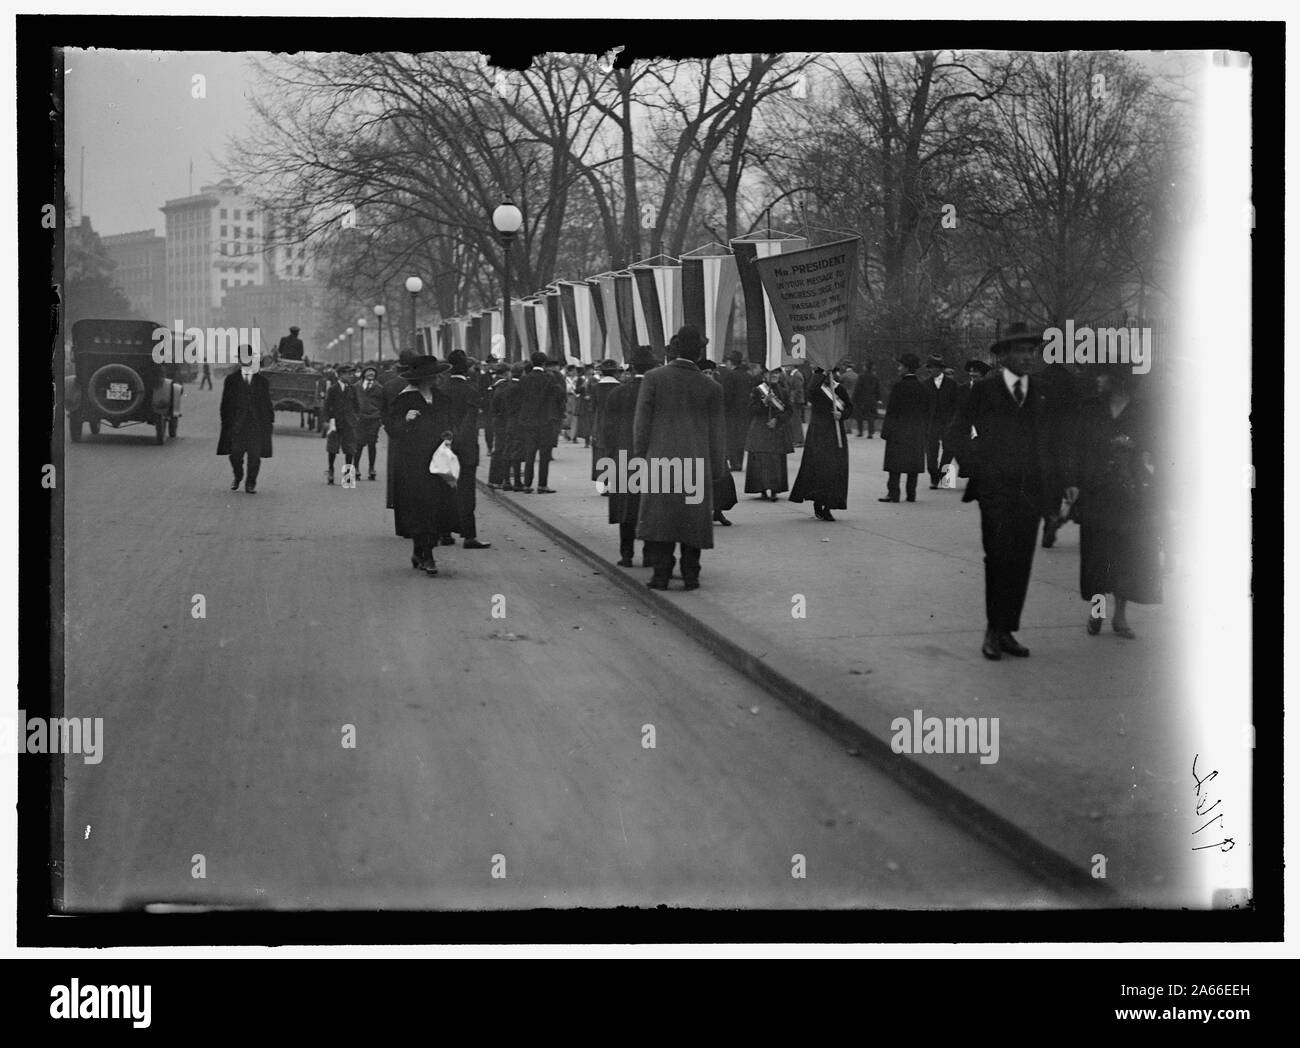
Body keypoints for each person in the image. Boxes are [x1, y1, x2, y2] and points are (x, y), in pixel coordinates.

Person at [960, 323, 1062, 660]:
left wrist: (1053, 493)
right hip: (996, 493)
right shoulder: (985, 390)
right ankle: (993, 628)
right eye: (1021, 351)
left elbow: (1052, 446)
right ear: (1003, 357)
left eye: (1031, 351)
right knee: (999, 558)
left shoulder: (1043, 393)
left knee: (1021, 561)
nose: (1028, 357)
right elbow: (956, 431)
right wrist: (978, 467)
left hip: (1030, 494)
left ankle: (1007, 631)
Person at [633, 325, 727, 591]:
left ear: (674, 350)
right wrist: (717, 467)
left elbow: (642, 425)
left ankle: (661, 575)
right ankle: (690, 575)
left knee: (662, 518)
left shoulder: (653, 379)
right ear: (699, 353)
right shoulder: (711, 387)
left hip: (660, 460)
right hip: (697, 463)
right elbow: (718, 433)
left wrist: (641, 456)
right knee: (692, 520)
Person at [1074, 364, 1161, 638]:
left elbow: (1157, 447)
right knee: (1097, 557)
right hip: (1096, 492)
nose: (1098, 380)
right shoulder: (1089, 407)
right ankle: (1096, 611)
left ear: (1118, 380)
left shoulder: (1141, 410)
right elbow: (1077, 448)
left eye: (1104, 376)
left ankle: (1120, 616)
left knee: (1125, 556)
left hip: (1130, 494)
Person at [388, 355, 459, 576]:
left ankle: (422, 550)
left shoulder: (441, 398)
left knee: (436, 507)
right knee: (420, 507)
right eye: (434, 375)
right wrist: (405, 420)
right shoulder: (404, 400)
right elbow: (391, 428)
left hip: (438, 462)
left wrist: (449, 435)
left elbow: (450, 422)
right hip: (413, 463)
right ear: (424, 378)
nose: (438, 378)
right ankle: (426, 554)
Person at [602, 346, 658, 566]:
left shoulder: (618, 392)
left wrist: (610, 455)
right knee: (649, 505)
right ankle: (649, 555)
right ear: (653, 367)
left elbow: (608, 429)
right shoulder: (656, 391)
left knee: (626, 506)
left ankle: (626, 555)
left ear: (632, 367)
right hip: (651, 456)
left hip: (622, 457)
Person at [441, 348, 491, 549]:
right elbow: (470, 421)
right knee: (466, 493)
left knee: (445, 490)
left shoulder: (441, 389)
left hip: (445, 446)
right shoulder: (470, 390)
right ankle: (469, 535)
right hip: (466, 447)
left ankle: (444, 533)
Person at [789, 368, 852, 520]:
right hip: (818, 433)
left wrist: (842, 415)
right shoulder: (817, 388)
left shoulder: (838, 388)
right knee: (819, 467)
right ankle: (818, 502)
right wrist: (821, 372)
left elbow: (849, 406)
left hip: (835, 433)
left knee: (834, 469)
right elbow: (811, 390)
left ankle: (829, 505)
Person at [1036, 356, 1083, 548]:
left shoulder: (1040, 377)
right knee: (1071, 479)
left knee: (1049, 482)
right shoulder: (1072, 379)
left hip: (1044, 437)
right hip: (1068, 436)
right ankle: (1070, 516)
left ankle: (1050, 518)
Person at [217, 347, 274, 493]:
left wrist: (268, 424)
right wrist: (226, 424)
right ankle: (238, 475)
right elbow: (225, 404)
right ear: (239, 360)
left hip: (256, 426)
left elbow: (267, 404)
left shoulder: (262, 382)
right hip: (237, 426)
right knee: (235, 454)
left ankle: (250, 483)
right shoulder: (231, 380)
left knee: (255, 457)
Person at [879, 354, 928, 502]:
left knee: (895, 464)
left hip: (898, 430)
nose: (898, 368)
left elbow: (892, 410)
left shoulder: (899, 386)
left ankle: (893, 493)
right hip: (915, 430)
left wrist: (886, 431)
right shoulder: (922, 387)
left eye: (900, 366)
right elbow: (926, 410)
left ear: (906, 368)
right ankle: (911, 493)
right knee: (912, 463)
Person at [515, 351, 565, 494]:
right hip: (545, 421)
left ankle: (527, 484)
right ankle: (542, 485)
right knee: (544, 455)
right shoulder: (549, 378)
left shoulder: (525, 379)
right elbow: (559, 393)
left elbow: (519, 398)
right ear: (544, 363)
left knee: (529, 453)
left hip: (528, 422)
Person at [744, 367, 794, 501]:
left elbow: (789, 411)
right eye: (771, 373)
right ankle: (762, 489)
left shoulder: (783, 391)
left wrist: (777, 420)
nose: (774, 375)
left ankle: (775, 489)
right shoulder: (757, 390)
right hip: (761, 429)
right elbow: (751, 409)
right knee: (761, 460)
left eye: (777, 373)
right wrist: (764, 403)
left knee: (776, 460)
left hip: (777, 429)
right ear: (764, 375)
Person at [382, 349, 419, 510]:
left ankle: (398, 509)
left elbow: (384, 413)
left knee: (398, 476)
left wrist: (392, 429)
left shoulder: (390, 385)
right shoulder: (420, 383)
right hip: (418, 435)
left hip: (396, 434)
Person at [924, 353, 961, 489]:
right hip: (931, 423)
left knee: (949, 449)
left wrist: (954, 421)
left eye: (932, 367)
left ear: (939, 368)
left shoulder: (952, 385)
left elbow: (957, 405)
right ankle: (933, 476)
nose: (929, 370)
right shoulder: (925, 384)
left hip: (948, 423)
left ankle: (941, 475)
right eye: (928, 367)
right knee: (931, 451)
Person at [952, 359, 991, 481]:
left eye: (976, 372)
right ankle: (945, 480)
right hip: (964, 426)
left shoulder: (990, 389)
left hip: (984, 426)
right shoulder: (962, 389)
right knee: (957, 451)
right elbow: (958, 407)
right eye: (971, 372)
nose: (973, 374)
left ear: (983, 374)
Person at [323, 364, 360, 485]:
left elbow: (356, 405)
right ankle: (331, 469)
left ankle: (348, 477)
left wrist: (356, 418)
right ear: (340, 375)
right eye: (347, 374)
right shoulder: (333, 389)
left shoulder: (352, 389)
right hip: (336, 422)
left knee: (350, 450)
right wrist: (327, 420)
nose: (350, 376)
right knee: (332, 448)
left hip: (349, 423)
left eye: (351, 374)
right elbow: (327, 406)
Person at [720, 351, 756, 472]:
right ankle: (739, 462)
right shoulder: (748, 376)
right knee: (741, 439)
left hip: (732, 413)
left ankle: (734, 463)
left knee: (731, 438)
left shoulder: (730, 376)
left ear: (730, 362)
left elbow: (727, 396)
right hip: (745, 412)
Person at [588, 359, 622, 485]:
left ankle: (603, 483)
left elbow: (592, 408)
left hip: (600, 423)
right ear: (615, 373)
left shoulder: (596, 387)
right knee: (616, 452)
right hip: (617, 423)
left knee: (601, 452)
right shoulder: (620, 387)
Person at [492, 363, 525, 491]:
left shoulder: (504, 387)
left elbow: (496, 404)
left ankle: (506, 480)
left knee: (507, 450)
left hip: (507, 422)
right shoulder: (520, 388)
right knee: (517, 451)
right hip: (518, 422)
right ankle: (517, 481)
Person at [353, 365, 385, 481]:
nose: (371, 373)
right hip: (360, 419)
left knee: (372, 443)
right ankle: (355, 468)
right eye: (368, 371)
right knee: (358, 443)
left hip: (374, 419)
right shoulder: (356, 386)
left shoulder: (380, 388)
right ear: (364, 373)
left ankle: (371, 468)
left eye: (373, 372)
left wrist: (380, 417)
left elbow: (383, 403)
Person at [854, 361, 880, 437]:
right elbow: (877, 388)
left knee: (860, 416)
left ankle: (860, 431)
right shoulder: (875, 377)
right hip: (872, 399)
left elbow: (858, 388)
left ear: (865, 367)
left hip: (861, 399)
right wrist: (878, 398)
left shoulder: (861, 376)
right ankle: (870, 433)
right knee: (870, 417)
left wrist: (854, 398)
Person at [785, 365, 806, 447]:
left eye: (788, 366)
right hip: (794, 400)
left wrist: (792, 399)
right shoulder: (793, 375)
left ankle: (798, 440)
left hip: (795, 401)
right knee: (794, 420)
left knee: (796, 421)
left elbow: (798, 389)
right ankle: (795, 439)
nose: (786, 367)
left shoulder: (796, 375)